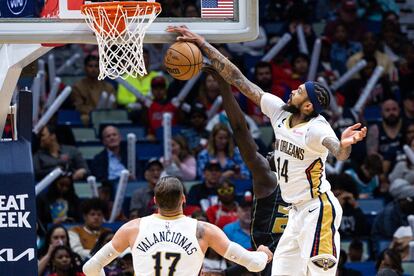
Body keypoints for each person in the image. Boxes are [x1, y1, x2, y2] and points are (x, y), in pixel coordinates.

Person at [166, 26, 367, 275]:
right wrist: (204, 44)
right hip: (295, 213)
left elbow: (338, 151)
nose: (293, 89)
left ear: (306, 106)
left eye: (300, 91)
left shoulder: (316, 129)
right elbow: (240, 80)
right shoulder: (280, 111)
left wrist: (345, 145)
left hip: (318, 210)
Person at [82, 176, 273, 276]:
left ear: (155, 200)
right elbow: (254, 265)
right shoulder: (203, 230)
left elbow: (90, 269)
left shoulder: (133, 228)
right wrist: (263, 253)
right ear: (183, 199)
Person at [206, 67, 289, 276]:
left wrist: (225, 87)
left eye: (275, 150)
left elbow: (241, 130)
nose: (269, 152)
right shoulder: (308, 183)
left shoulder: (268, 179)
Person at [71, 55, 116, 126]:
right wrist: (95, 111)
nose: (93, 69)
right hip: (88, 116)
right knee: (84, 118)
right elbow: (79, 106)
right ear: (85, 68)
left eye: (96, 66)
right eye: (90, 66)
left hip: (107, 115)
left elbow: (114, 106)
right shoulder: (78, 87)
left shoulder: (109, 87)